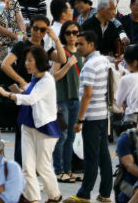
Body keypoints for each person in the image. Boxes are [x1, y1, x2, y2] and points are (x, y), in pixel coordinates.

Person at [0, 45, 63, 203]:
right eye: (26, 60)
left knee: (42, 167)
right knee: (27, 167)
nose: (26, 63)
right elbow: (30, 96)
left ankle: (55, 196)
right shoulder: (34, 78)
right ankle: (33, 199)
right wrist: (19, 92)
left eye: (30, 60)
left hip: (45, 128)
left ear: (39, 61)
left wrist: (8, 94)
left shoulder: (47, 80)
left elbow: (32, 99)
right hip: (27, 125)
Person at [64, 30, 113, 203]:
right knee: (104, 155)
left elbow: (87, 95)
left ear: (91, 44)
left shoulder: (90, 65)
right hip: (102, 115)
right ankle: (105, 193)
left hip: (91, 117)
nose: (78, 47)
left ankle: (84, 195)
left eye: (81, 43)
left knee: (91, 157)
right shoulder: (103, 61)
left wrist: (79, 119)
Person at [52, 21, 82, 182]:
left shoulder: (81, 53)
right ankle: (58, 170)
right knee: (61, 136)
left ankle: (68, 170)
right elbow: (53, 76)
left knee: (71, 136)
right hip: (62, 99)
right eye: (68, 33)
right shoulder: (60, 53)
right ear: (63, 35)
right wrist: (68, 65)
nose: (72, 36)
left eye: (75, 32)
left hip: (76, 99)